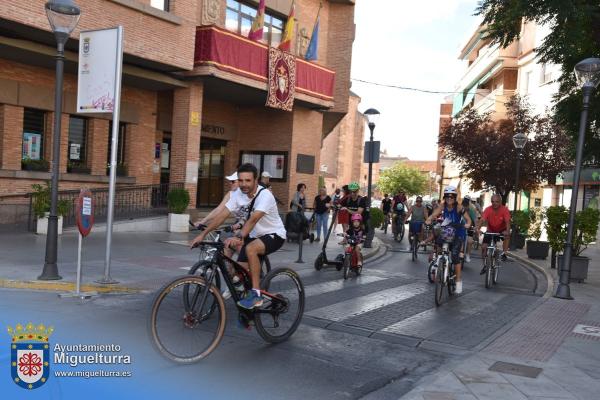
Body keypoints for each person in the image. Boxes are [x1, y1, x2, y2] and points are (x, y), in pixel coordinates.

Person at [190, 163, 286, 310]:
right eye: (240, 180)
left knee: (251, 249)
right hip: (253, 236)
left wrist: (239, 237)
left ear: (256, 180)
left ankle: (256, 295)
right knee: (236, 270)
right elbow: (222, 215)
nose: (243, 184)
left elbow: (253, 220)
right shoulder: (237, 195)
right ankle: (245, 293)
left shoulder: (265, 195)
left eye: (248, 180)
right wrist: (202, 235)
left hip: (274, 234)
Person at [425, 186, 472, 294]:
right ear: (444, 197)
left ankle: (459, 281)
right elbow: (434, 214)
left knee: (455, 257)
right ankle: (438, 263)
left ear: (455, 197)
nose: (449, 198)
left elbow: (468, 219)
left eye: (451, 196)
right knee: (438, 244)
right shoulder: (442, 205)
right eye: (447, 196)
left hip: (458, 233)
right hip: (446, 231)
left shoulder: (459, 207)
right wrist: (429, 219)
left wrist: (468, 224)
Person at [476, 194, 511, 274]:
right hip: (491, 230)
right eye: (493, 202)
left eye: (497, 202)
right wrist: (478, 229)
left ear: (500, 202)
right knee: (484, 247)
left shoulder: (505, 210)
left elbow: (507, 222)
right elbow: (482, 220)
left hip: (502, 230)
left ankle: (504, 253)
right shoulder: (488, 209)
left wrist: (507, 231)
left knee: (507, 236)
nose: (494, 203)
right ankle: (485, 265)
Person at [462, 195, 480, 263]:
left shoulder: (472, 209)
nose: (465, 207)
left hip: (469, 227)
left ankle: (468, 255)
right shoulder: (460, 207)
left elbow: (475, 219)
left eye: (466, 205)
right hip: (460, 226)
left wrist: (476, 227)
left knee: (470, 241)